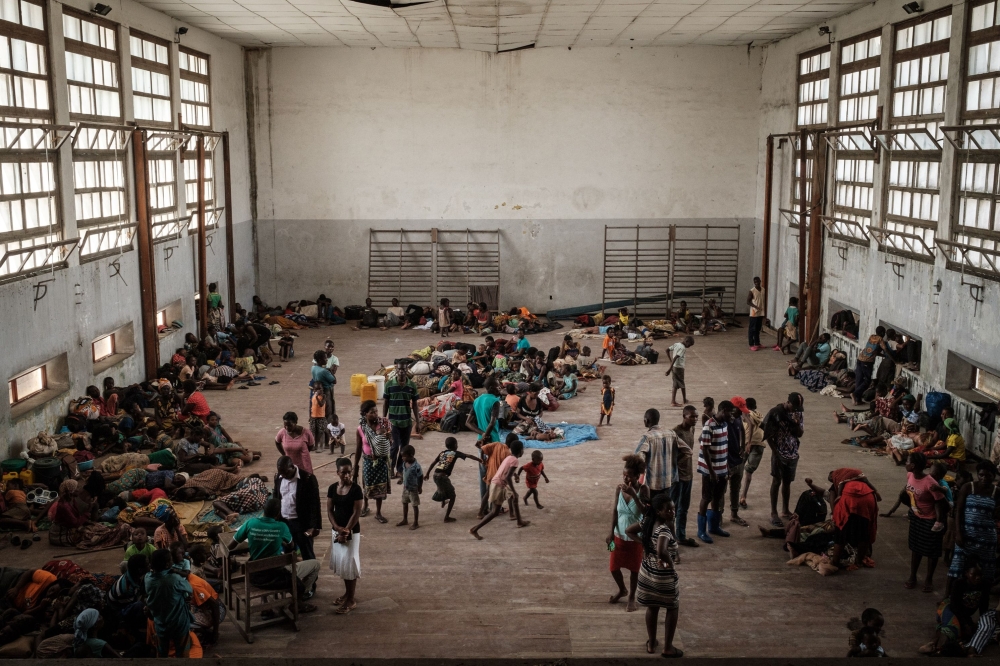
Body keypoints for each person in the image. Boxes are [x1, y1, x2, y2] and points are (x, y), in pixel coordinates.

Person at [229, 499, 319, 613]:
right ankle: (297, 601)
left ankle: (266, 607)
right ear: (278, 513)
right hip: (277, 577)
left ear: (263, 511)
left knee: (262, 561)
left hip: (255, 577)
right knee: (315, 565)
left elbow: (231, 545)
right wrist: (279, 540)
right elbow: (291, 546)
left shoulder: (250, 523)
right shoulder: (281, 526)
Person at [882, 452, 947, 592]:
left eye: (908, 461)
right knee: (915, 548)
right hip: (916, 518)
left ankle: (929, 579)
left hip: (930, 520)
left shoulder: (930, 482)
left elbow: (940, 502)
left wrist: (939, 521)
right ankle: (913, 576)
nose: (905, 463)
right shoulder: (910, 475)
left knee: (932, 551)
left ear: (913, 465)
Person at [627, 494, 682, 658]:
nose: (672, 512)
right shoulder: (664, 529)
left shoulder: (647, 523)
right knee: (672, 607)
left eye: (673, 508)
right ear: (659, 511)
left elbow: (629, 531)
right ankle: (668, 647)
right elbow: (661, 550)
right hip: (662, 574)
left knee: (653, 606)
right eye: (668, 510)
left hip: (646, 573)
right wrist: (670, 564)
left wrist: (644, 545)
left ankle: (651, 643)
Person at [948, 460, 998, 594]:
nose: (984, 478)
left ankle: (982, 600)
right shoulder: (968, 487)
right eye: (981, 475)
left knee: (986, 571)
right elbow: (959, 510)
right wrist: (958, 532)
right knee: (957, 567)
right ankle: (948, 597)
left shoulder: (996, 492)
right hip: (966, 535)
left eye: (988, 476)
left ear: (994, 476)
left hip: (987, 539)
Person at [607, 453, 649, 613]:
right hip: (617, 535)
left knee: (634, 569)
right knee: (613, 567)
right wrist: (610, 532)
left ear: (637, 476)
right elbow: (615, 512)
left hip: (635, 538)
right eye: (624, 476)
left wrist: (634, 495)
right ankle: (622, 589)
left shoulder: (643, 490)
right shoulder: (619, 489)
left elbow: (646, 512)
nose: (625, 479)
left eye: (629, 476)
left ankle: (631, 597)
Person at [470, 438, 529, 539]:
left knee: (514, 498)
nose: (523, 451)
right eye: (523, 449)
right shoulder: (515, 461)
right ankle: (474, 529)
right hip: (499, 485)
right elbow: (507, 477)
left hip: (498, 482)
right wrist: (514, 491)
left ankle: (519, 521)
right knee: (495, 512)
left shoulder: (510, 457)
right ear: (520, 451)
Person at [327, 457, 363, 615]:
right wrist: (336, 528)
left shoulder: (356, 489)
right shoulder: (332, 488)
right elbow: (329, 510)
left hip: (351, 532)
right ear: (338, 473)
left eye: (349, 472)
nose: (347, 475)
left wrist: (346, 530)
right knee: (343, 563)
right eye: (343, 473)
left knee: (350, 564)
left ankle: (351, 599)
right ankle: (347, 594)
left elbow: (357, 512)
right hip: (337, 530)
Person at [144, 548, 192, 658]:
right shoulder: (174, 579)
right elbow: (189, 589)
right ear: (167, 564)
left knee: (162, 652)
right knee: (182, 653)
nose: (173, 562)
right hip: (178, 622)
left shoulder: (147, 578)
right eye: (170, 560)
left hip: (160, 622)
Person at [273, 455, 322, 563]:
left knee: (307, 553)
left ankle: (311, 578)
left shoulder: (308, 479)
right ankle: (291, 578)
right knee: (287, 554)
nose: (284, 475)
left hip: (301, 523)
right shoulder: (278, 478)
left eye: (286, 473)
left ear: (292, 467)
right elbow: (276, 497)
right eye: (281, 473)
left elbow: (315, 504)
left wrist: (315, 526)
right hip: (284, 523)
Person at [696, 400, 733, 543]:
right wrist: (711, 472)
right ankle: (701, 531)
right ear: (723, 410)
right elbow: (705, 449)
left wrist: (727, 467)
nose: (732, 416)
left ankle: (714, 526)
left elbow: (724, 447)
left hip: (722, 468)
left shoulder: (724, 425)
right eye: (730, 412)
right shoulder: (709, 426)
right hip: (709, 470)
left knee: (718, 497)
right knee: (706, 497)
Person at [426, 437, 483, 522]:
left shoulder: (442, 453)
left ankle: (443, 499)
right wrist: (480, 460)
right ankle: (447, 517)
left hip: (435, 475)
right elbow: (469, 456)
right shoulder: (455, 453)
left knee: (443, 488)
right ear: (456, 445)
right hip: (443, 477)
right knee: (452, 496)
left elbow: (433, 463)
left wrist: (427, 474)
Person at [768, 393, 804, 528]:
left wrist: (795, 422)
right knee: (776, 481)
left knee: (787, 482)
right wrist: (775, 453)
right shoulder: (776, 413)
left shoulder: (798, 414)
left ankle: (785, 510)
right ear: (787, 402)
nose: (795, 410)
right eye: (793, 407)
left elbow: (800, 433)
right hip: (779, 453)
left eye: (797, 408)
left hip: (793, 453)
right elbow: (768, 436)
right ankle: (773, 512)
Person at [354, 399, 392, 523]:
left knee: (380, 486)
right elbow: (358, 448)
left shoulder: (384, 425)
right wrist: (355, 467)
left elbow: (390, 442)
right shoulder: (361, 429)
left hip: (381, 461)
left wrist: (388, 437)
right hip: (368, 460)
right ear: (365, 414)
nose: (375, 414)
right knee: (367, 485)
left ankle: (378, 512)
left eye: (376, 411)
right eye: (372, 412)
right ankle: (365, 506)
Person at [384, 359, 421, 480]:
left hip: (406, 422)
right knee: (394, 446)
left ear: (407, 370)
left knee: (404, 447)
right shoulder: (389, 385)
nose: (401, 371)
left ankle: (400, 470)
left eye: (404, 369)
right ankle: (390, 469)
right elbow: (386, 403)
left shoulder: (411, 385)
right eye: (399, 369)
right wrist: (384, 419)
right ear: (396, 369)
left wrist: (418, 421)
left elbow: (415, 405)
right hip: (393, 421)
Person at [634, 408, 677, 502]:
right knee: (664, 508)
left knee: (652, 510)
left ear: (646, 421)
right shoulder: (671, 434)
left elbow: (638, 457)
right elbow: (687, 451)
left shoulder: (647, 437)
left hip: (653, 483)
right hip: (668, 481)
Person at [671, 405, 699, 547]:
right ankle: (669, 539)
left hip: (689, 475)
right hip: (677, 477)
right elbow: (671, 456)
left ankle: (680, 536)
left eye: (696, 416)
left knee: (684, 507)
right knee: (673, 509)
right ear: (684, 416)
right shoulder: (676, 433)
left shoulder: (692, 430)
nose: (695, 419)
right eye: (692, 416)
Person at [738, 398, 764, 510]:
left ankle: (735, 491)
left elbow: (751, 424)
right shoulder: (760, 415)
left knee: (739, 467)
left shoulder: (746, 413)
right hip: (759, 443)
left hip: (747, 443)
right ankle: (743, 496)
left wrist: (748, 443)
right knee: (749, 472)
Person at [727, 396, 749, 527]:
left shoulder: (738, 418)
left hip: (737, 459)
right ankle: (718, 515)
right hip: (727, 461)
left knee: (735, 489)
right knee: (721, 490)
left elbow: (742, 429)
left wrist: (742, 446)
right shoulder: (724, 420)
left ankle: (734, 514)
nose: (741, 412)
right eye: (739, 409)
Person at [853, 326, 886, 405]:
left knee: (859, 379)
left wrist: (882, 355)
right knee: (867, 381)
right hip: (867, 362)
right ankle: (855, 394)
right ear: (882, 333)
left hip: (860, 358)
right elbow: (886, 349)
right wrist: (893, 359)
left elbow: (873, 351)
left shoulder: (872, 337)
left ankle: (857, 400)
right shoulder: (880, 339)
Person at [397, 445, 422, 529]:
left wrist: (420, 487)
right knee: (404, 503)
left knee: (414, 505)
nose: (402, 458)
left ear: (411, 455)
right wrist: (401, 479)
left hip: (413, 489)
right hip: (405, 488)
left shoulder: (416, 466)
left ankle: (416, 523)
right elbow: (404, 474)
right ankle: (405, 519)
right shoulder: (405, 463)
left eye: (404, 456)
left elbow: (420, 476)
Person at [664, 336, 693, 407]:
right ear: (686, 341)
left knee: (678, 383)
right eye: (689, 345)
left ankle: (682, 399)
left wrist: (670, 362)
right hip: (679, 368)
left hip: (675, 367)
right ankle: (675, 401)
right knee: (679, 384)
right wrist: (669, 369)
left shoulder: (676, 344)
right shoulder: (682, 348)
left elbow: (667, 350)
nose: (689, 347)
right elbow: (676, 357)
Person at [310, 350, 336, 425]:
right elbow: (334, 381)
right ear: (320, 360)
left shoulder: (313, 368)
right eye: (325, 358)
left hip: (318, 390)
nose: (327, 359)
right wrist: (330, 371)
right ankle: (328, 427)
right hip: (327, 391)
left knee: (321, 410)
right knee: (329, 410)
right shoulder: (324, 371)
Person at [747, 276, 765, 351]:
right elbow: (748, 302)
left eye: (758, 282)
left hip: (760, 312)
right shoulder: (752, 291)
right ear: (754, 283)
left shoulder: (763, 289)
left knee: (758, 328)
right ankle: (751, 344)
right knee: (752, 329)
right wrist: (755, 307)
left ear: (760, 281)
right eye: (755, 282)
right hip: (754, 312)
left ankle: (757, 343)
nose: (757, 283)